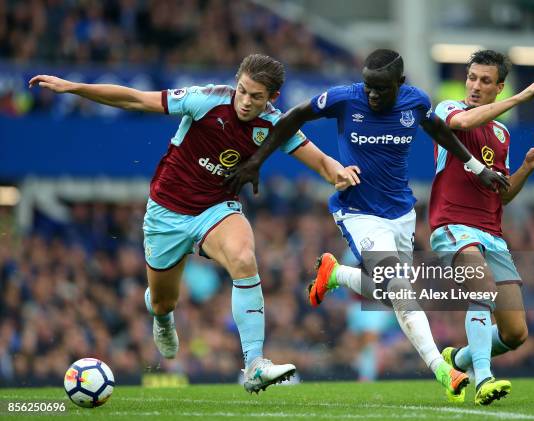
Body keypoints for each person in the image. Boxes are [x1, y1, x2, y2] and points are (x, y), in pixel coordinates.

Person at [29, 54, 360, 394]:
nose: (245, 102)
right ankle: (162, 318)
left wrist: (340, 173)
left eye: (256, 96)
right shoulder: (206, 100)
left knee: (244, 257)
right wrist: (74, 88)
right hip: (166, 213)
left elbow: (320, 161)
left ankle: (254, 365)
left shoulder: (275, 124)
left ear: (272, 98)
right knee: (162, 301)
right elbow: (134, 99)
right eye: (242, 91)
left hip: (216, 209)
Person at [225, 49, 510, 400]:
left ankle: (336, 274)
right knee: (400, 290)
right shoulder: (345, 98)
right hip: (358, 212)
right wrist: (256, 161)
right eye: (368, 86)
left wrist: (476, 167)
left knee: (394, 295)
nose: (372, 95)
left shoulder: (415, 102)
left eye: (380, 89)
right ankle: (441, 368)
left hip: (401, 214)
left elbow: (439, 131)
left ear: (399, 85)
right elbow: (294, 116)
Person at [428, 49, 534, 404]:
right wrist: (522, 96)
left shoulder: (501, 133)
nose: (475, 86)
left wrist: (526, 167)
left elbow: (504, 195)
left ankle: (461, 358)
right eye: (472, 77)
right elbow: (463, 125)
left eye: (485, 81)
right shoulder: (447, 109)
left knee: (515, 333)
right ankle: (483, 377)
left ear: (498, 86)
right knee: (481, 288)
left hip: (492, 233)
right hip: (453, 224)